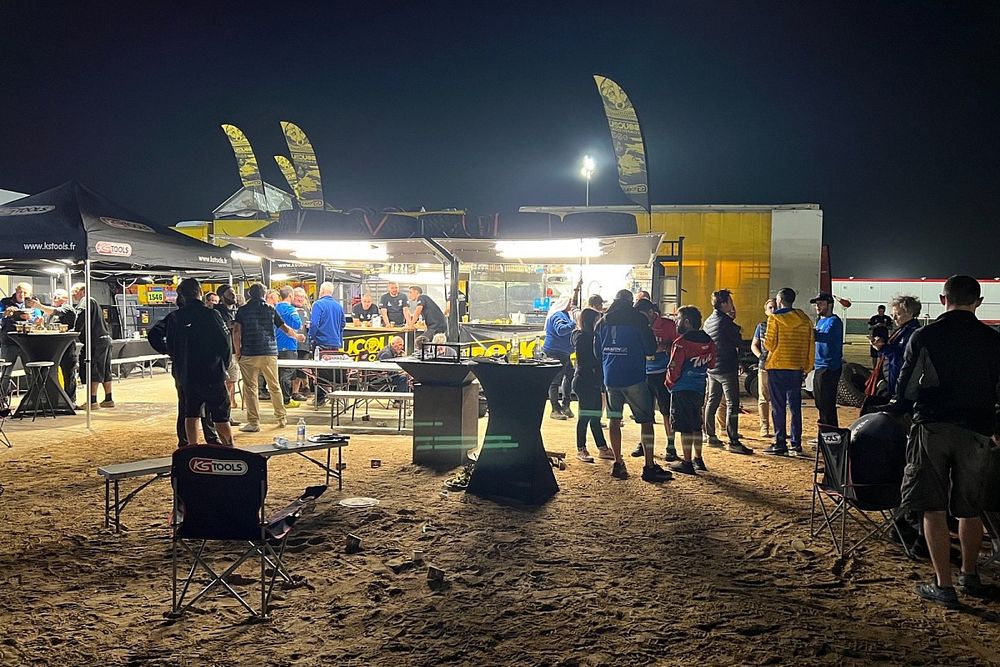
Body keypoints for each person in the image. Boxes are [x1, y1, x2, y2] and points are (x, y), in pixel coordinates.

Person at [885, 275, 1000, 607]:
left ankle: (944, 586)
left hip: (933, 427)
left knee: (932, 507)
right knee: (970, 509)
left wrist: (898, 410)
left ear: (942, 298)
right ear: (978, 302)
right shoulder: (992, 340)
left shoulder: (925, 336)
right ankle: (970, 575)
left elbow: (905, 389)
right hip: (977, 431)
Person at [594, 289, 672, 483]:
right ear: (630, 302)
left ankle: (618, 463)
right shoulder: (638, 320)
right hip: (634, 377)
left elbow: (597, 352)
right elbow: (650, 349)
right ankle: (649, 466)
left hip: (611, 378)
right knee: (646, 420)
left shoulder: (602, 321)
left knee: (614, 420)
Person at [151, 282, 232, 447]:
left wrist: (170, 351)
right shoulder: (212, 315)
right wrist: (224, 365)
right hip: (212, 372)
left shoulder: (175, 317)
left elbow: (153, 334)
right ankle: (229, 449)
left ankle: (191, 450)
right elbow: (226, 343)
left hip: (186, 373)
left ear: (181, 296)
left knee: (190, 413)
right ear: (200, 293)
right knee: (220, 415)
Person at [233, 283, 304, 432]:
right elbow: (284, 327)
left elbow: (236, 332)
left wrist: (238, 352)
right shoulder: (271, 309)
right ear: (264, 295)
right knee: (274, 386)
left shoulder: (242, 310)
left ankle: (254, 423)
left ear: (249, 294)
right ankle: (281, 418)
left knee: (250, 388)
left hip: (249, 352)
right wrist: (297, 336)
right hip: (269, 352)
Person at [762, 288, 814, 456]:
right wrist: (807, 366)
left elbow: (770, 345)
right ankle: (796, 443)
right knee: (795, 407)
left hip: (777, 366)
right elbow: (810, 345)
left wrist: (765, 341)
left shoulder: (774, 319)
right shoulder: (805, 320)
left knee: (778, 406)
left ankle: (779, 442)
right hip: (796, 368)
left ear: (779, 300)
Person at [665, 306, 716, 475]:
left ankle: (686, 462)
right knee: (696, 423)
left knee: (684, 426)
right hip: (699, 388)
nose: (675, 322)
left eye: (678, 319)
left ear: (686, 322)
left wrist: (670, 383)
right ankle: (698, 459)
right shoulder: (708, 341)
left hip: (681, 389)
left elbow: (674, 368)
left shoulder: (680, 343)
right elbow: (712, 364)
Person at [703, 290, 752, 455]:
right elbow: (737, 341)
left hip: (712, 367)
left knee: (712, 401)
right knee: (732, 404)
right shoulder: (726, 322)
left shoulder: (709, 320)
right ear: (723, 303)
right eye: (730, 301)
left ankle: (710, 436)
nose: (732, 304)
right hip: (726, 367)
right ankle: (733, 441)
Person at [632, 299, 680, 461]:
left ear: (652, 312)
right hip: (642, 373)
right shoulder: (637, 324)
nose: (641, 318)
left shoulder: (668, 325)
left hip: (662, 373)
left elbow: (678, 344)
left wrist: (664, 347)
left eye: (644, 315)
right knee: (645, 412)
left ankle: (671, 446)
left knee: (666, 411)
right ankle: (643, 444)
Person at [573, 308, 612, 462]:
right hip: (584, 381)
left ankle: (602, 448)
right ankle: (581, 449)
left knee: (595, 416)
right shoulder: (581, 337)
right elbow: (586, 360)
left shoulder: (596, 336)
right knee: (584, 416)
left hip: (594, 381)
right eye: (597, 319)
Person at [30, 289, 79, 404]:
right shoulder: (48, 314)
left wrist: (39, 306)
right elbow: (46, 328)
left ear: (66, 299)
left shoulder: (67, 308)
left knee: (68, 373)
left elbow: (56, 312)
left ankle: (70, 401)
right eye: (54, 296)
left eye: (58, 296)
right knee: (51, 373)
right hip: (52, 348)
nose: (55, 298)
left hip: (66, 347)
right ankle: (52, 400)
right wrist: (39, 324)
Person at [71, 282, 114, 409]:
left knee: (93, 368)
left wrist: (75, 329)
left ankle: (92, 401)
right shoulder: (94, 302)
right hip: (105, 339)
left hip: (95, 341)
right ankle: (108, 399)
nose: (73, 294)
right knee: (105, 369)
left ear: (82, 291)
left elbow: (81, 314)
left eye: (75, 291)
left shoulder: (86, 300)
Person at [872, 295, 922, 396]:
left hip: (901, 384)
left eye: (898, 314)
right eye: (892, 314)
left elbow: (901, 359)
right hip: (894, 380)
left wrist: (883, 348)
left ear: (910, 313)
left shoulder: (912, 333)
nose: (894, 318)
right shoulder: (902, 330)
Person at [309, 281, 347, 407]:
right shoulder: (338, 306)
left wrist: (311, 336)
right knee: (334, 372)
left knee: (320, 372)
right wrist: (338, 338)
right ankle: (336, 396)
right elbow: (343, 324)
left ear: (321, 291)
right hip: (335, 344)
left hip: (321, 343)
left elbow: (314, 324)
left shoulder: (318, 304)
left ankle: (320, 398)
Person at [810, 292, 844, 429]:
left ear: (830, 304)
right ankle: (824, 430)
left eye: (821, 303)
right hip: (819, 366)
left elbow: (823, 337)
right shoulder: (820, 321)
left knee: (827, 403)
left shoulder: (834, 322)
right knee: (820, 402)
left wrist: (805, 331)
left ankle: (830, 431)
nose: (817, 307)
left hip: (829, 367)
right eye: (816, 304)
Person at [542, 297, 576, 420]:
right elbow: (561, 330)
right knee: (555, 381)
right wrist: (575, 323)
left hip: (563, 352)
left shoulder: (565, 314)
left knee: (569, 375)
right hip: (555, 352)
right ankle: (555, 409)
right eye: (570, 302)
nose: (572, 305)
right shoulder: (558, 315)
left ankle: (565, 405)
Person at [213, 284, 241, 425]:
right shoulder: (218, 311)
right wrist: (237, 323)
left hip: (232, 352)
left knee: (231, 383)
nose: (234, 295)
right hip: (223, 353)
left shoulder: (232, 311)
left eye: (234, 292)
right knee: (225, 384)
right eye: (230, 293)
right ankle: (224, 415)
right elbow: (227, 326)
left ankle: (228, 414)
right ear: (222, 296)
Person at [750, 299, 776, 438]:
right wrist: (760, 356)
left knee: (778, 399)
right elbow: (754, 344)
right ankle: (764, 427)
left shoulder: (783, 326)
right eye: (770, 307)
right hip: (765, 366)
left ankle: (779, 428)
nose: (773, 310)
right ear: (766, 311)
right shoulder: (762, 326)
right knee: (763, 398)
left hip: (779, 367)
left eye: (775, 307)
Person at [1, 281, 34, 386]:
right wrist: (5, 314)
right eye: (19, 291)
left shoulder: (33, 302)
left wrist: (31, 319)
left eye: (25, 292)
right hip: (9, 341)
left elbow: (38, 318)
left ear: (30, 294)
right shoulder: (5, 302)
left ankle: (32, 398)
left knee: (30, 372)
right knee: (6, 373)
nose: (22, 294)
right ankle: (2, 398)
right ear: (15, 291)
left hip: (27, 343)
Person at [274, 286, 302, 409]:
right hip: (289, 344)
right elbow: (298, 324)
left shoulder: (275, 308)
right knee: (287, 373)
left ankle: (279, 399)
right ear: (290, 295)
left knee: (279, 373)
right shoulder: (290, 309)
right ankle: (286, 400)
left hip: (275, 345)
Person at [290, 287, 311, 401]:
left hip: (304, 344)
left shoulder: (307, 310)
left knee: (301, 369)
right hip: (291, 343)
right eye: (298, 296)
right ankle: (289, 392)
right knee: (290, 369)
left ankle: (296, 392)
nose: (300, 299)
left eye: (302, 297)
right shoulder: (289, 309)